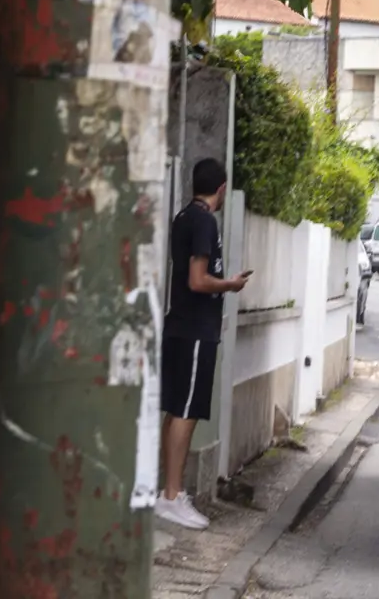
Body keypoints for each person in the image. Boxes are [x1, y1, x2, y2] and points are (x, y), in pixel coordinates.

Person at [157, 157, 251, 529]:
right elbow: (198, 280)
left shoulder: (183, 217)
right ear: (221, 189)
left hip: (180, 325)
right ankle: (172, 496)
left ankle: (169, 491)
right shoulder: (204, 222)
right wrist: (230, 284)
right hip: (195, 329)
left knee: (176, 409)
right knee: (186, 411)